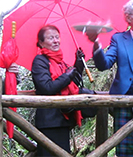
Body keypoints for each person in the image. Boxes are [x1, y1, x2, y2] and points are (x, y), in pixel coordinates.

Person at [85, 0, 133, 157]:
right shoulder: (118, 39)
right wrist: (96, 43)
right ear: (129, 18)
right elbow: (104, 65)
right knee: (125, 149)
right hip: (124, 101)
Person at [31, 25, 96, 156]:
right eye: (50, 38)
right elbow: (47, 88)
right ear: (41, 43)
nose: (56, 40)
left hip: (62, 119)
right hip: (49, 121)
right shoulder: (39, 61)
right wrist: (68, 75)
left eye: (57, 37)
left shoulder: (60, 62)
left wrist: (77, 64)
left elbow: (72, 84)